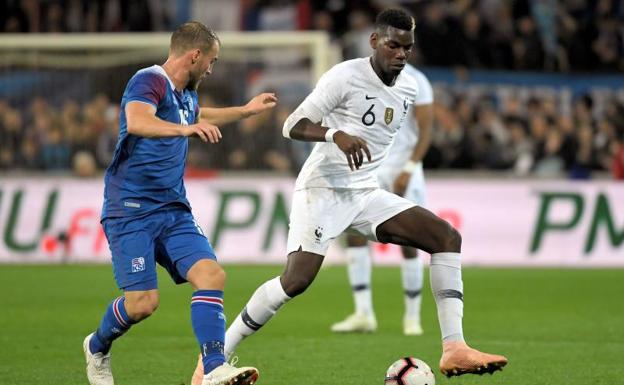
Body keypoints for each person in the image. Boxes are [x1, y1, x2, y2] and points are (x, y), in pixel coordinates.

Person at [192, 9, 507, 383]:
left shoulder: (409, 87)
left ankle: (454, 347)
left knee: (445, 237)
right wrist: (334, 135)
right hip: (323, 189)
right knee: (296, 280)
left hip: (364, 192)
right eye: (393, 45)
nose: (401, 54)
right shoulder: (345, 76)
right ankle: (214, 357)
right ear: (374, 42)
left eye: (407, 47)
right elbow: (292, 125)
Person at [83, 21, 276, 385]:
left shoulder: (187, 94)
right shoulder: (148, 80)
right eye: (212, 61)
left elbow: (200, 115)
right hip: (131, 210)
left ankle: (215, 368)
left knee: (211, 275)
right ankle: (96, 346)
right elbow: (137, 121)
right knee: (143, 304)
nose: (212, 68)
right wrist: (185, 130)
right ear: (195, 55)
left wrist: (245, 111)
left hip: (173, 209)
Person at [330, 62, 433, 336]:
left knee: (409, 238)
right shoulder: (362, 77)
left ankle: (412, 318)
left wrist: (410, 168)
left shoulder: (416, 79)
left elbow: (426, 130)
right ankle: (364, 313)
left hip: (402, 169)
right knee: (354, 233)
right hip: (369, 167)